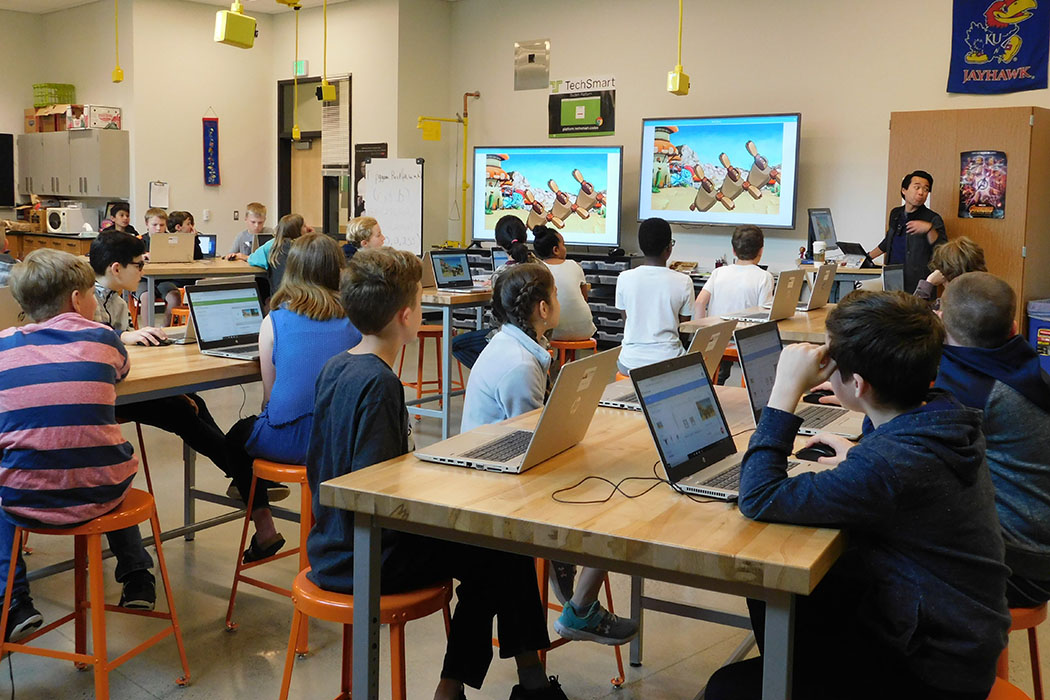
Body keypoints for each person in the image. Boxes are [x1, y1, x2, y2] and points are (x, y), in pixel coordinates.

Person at [706, 290, 1010, 700]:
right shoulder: (943, 414)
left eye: (833, 363)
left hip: (930, 671)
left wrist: (785, 393)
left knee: (727, 687)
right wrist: (860, 449)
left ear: (859, 384)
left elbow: (758, 496)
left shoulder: (889, 466)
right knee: (781, 593)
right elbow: (892, 467)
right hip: (957, 636)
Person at [306, 247, 568, 700]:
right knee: (499, 549)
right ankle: (498, 684)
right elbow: (379, 495)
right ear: (408, 316)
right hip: (365, 559)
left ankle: (501, 682)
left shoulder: (337, 366)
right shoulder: (380, 384)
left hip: (331, 540)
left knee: (496, 548)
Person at [461, 263, 637, 648]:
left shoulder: (519, 346)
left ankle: (571, 580)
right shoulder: (520, 365)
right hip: (499, 485)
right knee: (617, 503)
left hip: (505, 468)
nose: (559, 301)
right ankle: (580, 605)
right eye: (556, 295)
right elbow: (530, 442)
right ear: (542, 309)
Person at [0, 249, 158, 642]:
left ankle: (14, 600)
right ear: (76, 299)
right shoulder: (104, 338)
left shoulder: (3, 346)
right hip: (103, 491)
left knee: (6, 481)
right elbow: (119, 371)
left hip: (27, 498)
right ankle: (137, 573)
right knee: (106, 466)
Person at [88, 232, 275, 511]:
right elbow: (87, 338)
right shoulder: (87, 299)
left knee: (194, 402)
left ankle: (241, 477)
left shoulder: (115, 299)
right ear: (116, 268)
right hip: (101, 394)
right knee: (181, 412)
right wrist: (120, 335)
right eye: (139, 265)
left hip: (122, 381)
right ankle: (248, 480)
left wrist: (131, 335)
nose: (143, 270)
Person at [225, 234, 361, 563]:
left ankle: (265, 526)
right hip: (343, 442)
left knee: (233, 440)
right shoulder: (356, 319)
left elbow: (270, 400)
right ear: (338, 270)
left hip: (288, 442)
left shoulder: (275, 320)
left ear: (291, 270)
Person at [937, 272, 1050, 608]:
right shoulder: (1023, 364)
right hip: (1036, 547)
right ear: (1014, 327)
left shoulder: (972, 392)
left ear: (942, 324)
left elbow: (896, 451)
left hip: (1018, 567)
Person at [451, 215, 540, 368]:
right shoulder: (541, 268)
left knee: (456, 344)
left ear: (498, 242)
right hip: (539, 334)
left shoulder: (501, 274)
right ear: (525, 236)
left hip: (507, 336)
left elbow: (496, 317)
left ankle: (491, 372)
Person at [693, 225, 774, 383]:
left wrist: (702, 333)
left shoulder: (718, 272)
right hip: (744, 342)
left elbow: (699, 302)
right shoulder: (764, 277)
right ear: (761, 250)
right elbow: (765, 315)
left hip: (715, 339)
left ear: (733, 251)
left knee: (719, 372)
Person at [614, 217, 693, 375]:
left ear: (641, 246)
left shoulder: (624, 278)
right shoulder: (684, 281)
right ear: (669, 248)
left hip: (629, 362)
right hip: (668, 360)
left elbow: (627, 320)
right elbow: (684, 330)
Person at [868, 170, 947, 294]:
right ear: (904, 190)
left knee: (914, 311)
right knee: (891, 308)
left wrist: (929, 229)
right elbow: (889, 241)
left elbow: (942, 249)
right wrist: (866, 258)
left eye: (926, 189)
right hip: (893, 275)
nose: (921, 192)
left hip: (918, 280)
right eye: (917, 187)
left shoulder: (932, 218)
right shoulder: (895, 213)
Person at [534, 225, 596, 341]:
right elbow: (584, 298)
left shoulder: (538, 269)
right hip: (584, 329)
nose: (565, 248)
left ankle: (558, 359)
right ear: (556, 250)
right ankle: (567, 358)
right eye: (563, 244)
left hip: (552, 332)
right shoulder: (574, 265)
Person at [135, 207, 182, 326]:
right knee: (146, 297)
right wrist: (142, 256)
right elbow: (129, 259)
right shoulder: (139, 241)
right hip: (143, 279)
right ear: (147, 224)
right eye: (154, 224)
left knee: (174, 296)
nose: (158, 228)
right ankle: (147, 329)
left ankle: (166, 328)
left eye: (161, 225)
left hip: (164, 279)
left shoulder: (172, 240)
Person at [914, 235, 986, 307]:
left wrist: (928, 283)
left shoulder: (948, 306)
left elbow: (913, 314)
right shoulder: (987, 297)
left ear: (944, 274)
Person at [248, 213, 307, 296]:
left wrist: (242, 257)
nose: (307, 228)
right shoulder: (306, 246)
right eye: (304, 226)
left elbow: (253, 260)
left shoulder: (272, 245)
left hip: (280, 297)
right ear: (297, 230)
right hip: (303, 296)